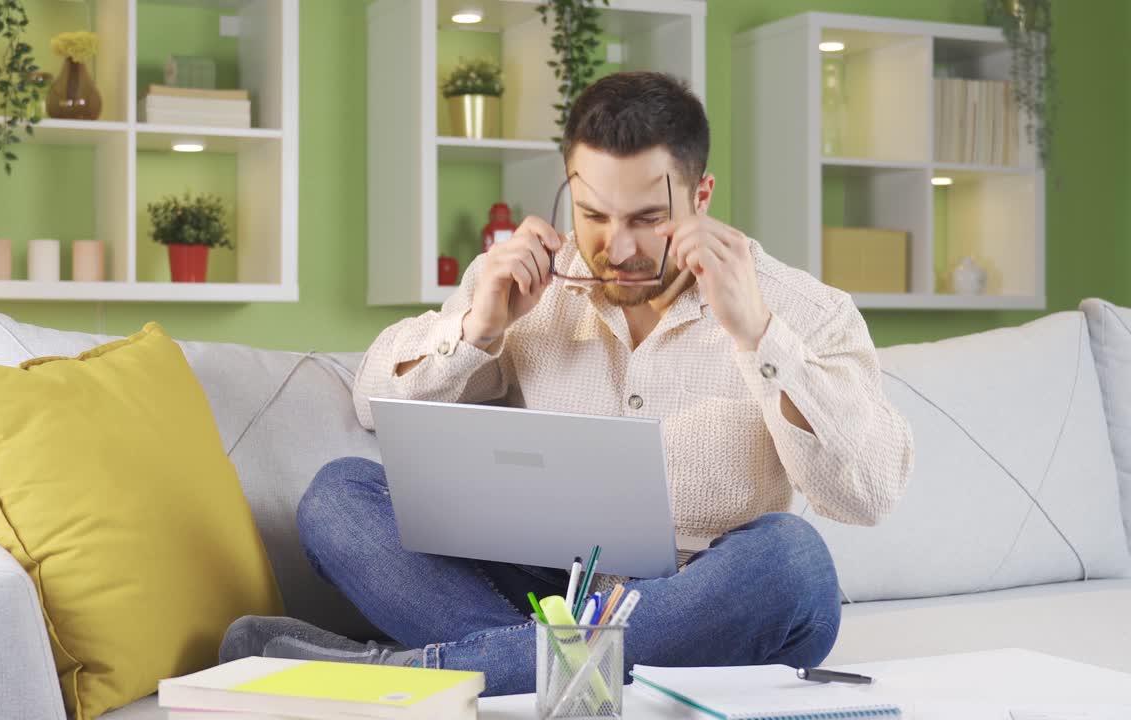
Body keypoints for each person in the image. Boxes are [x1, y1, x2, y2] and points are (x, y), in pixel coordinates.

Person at [219, 71, 915, 696]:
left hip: (702, 603)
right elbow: (375, 403)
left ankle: (415, 676)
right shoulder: (531, 284)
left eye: (647, 219)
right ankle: (542, 673)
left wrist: (760, 337)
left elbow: (869, 492)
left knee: (793, 565)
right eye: (595, 216)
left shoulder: (803, 312)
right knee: (338, 498)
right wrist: (480, 328)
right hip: (545, 588)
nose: (617, 247)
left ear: (700, 195)